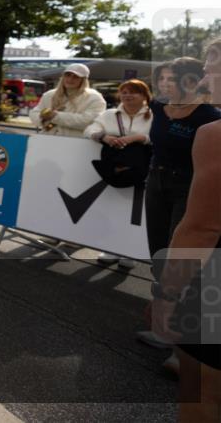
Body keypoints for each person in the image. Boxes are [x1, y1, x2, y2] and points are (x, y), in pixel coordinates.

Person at [151, 38, 221, 416]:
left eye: (213, 61)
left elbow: (201, 228)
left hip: (213, 283)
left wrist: (167, 295)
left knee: (204, 395)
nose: (206, 71)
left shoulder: (214, 132)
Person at [83, 79, 154, 269]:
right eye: (124, 92)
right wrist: (104, 137)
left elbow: (160, 138)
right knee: (114, 210)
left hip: (142, 171)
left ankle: (130, 252)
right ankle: (111, 248)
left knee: (137, 213)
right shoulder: (109, 114)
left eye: (133, 92)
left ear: (144, 95)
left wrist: (140, 138)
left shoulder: (154, 115)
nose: (127, 95)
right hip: (115, 170)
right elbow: (90, 129)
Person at [29, 63, 106, 137]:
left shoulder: (94, 97)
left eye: (76, 77)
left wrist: (55, 116)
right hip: (47, 138)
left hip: (76, 142)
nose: (70, 79)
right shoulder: (50, 94)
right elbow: (34, 113)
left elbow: (90, 121)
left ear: (83, 80)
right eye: (67, 75)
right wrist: (42, 118)